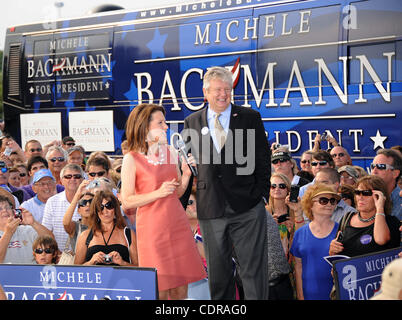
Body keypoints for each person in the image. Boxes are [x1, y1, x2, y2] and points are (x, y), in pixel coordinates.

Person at [183, 66, 270, 300]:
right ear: (205, 92)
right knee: (219, 276)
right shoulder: (191, 121)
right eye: (218, 90)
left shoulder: (249, 117)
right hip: (211, 208)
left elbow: (263, 157)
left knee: (253, 272)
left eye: (227, 89)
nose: (223, 94)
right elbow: (189, 167)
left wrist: (261, 194)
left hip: (248, 206)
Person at [120, 103, 206, 300]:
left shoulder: (170, 152)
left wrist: (185, 175)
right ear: (144, 126)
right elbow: (127, 201)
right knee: (160, 289)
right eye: (161, 123)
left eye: (165, 122)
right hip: (152, 230)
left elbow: (176, 193)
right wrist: (157, 193)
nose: (167, 127)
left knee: (180, 290)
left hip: (177, 225)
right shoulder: (131, 159)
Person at [290, 183, 341, 300]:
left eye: (332, 201)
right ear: (310, 205)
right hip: (309, 295)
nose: (329, 204)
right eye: (323, 200)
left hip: (336, 294)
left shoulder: (341, 231)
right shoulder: (300, 233)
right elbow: (298, 267)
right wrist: (300, 296)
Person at [329, 175, 401, 257]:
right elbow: (336, 257)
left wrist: (380, 208)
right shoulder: (347, 218)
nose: (360, 197)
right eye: (357, 192)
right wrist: (333, 251)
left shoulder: (391, 222)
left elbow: (381, 240)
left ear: (379, 196)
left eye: (366, 193)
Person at [74, 190, 138, 267]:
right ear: (96, 211)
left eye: (109, 206)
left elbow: (139, 268)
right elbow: (76, 270)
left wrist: (122, 263)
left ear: (115, 209)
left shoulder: (128, 234)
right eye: (100, 207)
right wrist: (91, 262)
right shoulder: (85, 236)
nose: (105, 211)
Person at [0, 195, 54, 264]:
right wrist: (8, 233)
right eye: (0, 209)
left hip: (30, 273)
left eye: (7, 207)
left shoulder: (27, 230)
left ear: (14, 211)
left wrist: (34, 223)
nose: (5, 210)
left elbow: (51, 241)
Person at [42, 164, 84, 251]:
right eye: (68, 176)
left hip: (84, 257)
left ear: (82, 180)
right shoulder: (52, 202)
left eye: (77, 176)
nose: (72, 179)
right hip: (59, 256)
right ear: (61, 181)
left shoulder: (91, 201)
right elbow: (46, 232)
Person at [370, 148, 401, 220]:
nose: (374, 171)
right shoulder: (363, 195)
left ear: (395, 173)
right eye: (372, 166)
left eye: (381, 167)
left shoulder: (400, 202)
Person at [63, 179, 92, 252]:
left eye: (91, 202)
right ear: (78, 210)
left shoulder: (102, 226)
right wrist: (77, 194)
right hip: (78, 263)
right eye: (83, 202)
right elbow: (66, 223)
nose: (88, 205)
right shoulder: (75, 227)